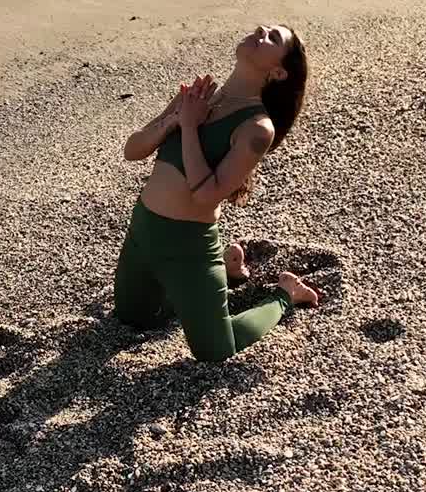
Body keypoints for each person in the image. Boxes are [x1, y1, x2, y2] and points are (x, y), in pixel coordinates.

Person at [114, 24, 319, 362]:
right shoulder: (196, 96)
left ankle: (285, 293)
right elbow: (133, 150)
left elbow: (206, 195)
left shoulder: (256, 128)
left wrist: (191, 127)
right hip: (143, 229)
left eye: (274, 38)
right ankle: (227, 268)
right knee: (133, 319)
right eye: (264, 27)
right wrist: (174, 120)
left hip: (188, 246)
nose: (262, 30)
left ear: (279, 72)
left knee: (214, 349)